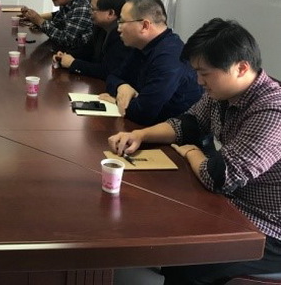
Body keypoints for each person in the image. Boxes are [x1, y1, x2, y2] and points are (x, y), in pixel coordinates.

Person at [108, 18, 281, 284]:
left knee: (192, 260)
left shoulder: (271, 111)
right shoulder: (222, 94)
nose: (199, 81)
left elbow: (218, 177)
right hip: (232, 203)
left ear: (241, 68)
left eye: (205, 73)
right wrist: (140, 135)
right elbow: (188, 124)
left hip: (267, 227)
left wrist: (191, 153)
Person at [100, 0, 201, 125]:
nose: (118, 28)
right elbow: (112, 76)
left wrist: (116, 101)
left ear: (145, 26)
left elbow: (143, 113)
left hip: (173, 134)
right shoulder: (142, 45)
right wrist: (122, 86)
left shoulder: (170, 57)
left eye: (122, 22)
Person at [53, 0, 132, 79]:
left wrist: (73, 63)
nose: (89, 12)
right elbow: (88, 51)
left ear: (110, 13)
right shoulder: (99, 27)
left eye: (93, 9)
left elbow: (108, 71)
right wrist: (65, 55)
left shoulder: (123, 36)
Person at [21, 0, 93, 54]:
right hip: (65, 51)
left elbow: (67, 40)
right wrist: (35, 20)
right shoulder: (67, 2)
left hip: (78, 55)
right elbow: (58, 25)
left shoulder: (82, 6)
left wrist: (40, 21)